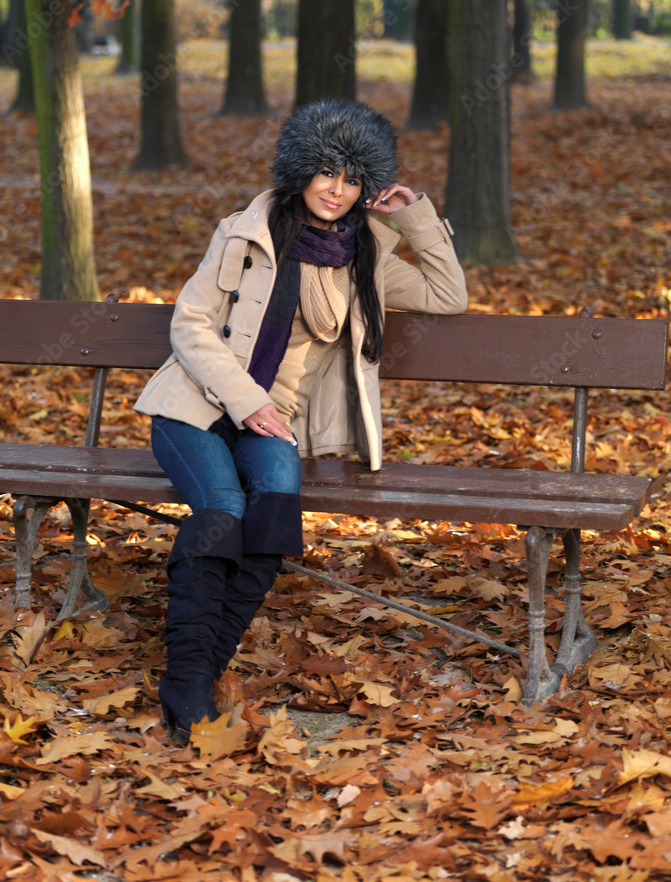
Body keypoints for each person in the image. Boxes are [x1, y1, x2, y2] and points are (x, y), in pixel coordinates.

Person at [134, 98, 468, 742]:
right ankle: (187, 683)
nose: (337, 191)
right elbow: (190, 323)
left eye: (351, 179)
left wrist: (415, 217)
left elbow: (446, 297)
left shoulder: (364, 251)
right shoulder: (247, 231)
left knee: (277, 509)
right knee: (224, 506)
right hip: (197, 408)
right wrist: (247, 400)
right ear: (300, 172)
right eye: (326, 174)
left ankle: (197, 675)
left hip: (273, 421)